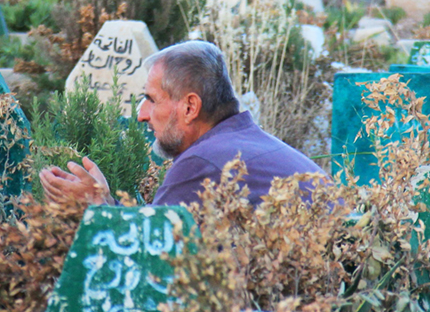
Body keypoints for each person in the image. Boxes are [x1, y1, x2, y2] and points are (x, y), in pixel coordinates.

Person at [39, 40, 327, 207]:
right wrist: (106, 202)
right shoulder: (243, 143)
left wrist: (97, 206)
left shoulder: (204, 162)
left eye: (151, 99)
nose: (141, 114)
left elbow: (151, 256)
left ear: (190, 107)